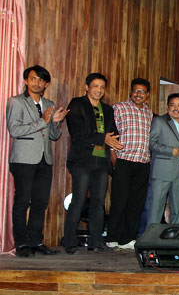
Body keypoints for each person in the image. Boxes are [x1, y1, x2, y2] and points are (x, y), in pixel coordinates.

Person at [7, 65, 68, 257]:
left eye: (41, 80)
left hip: (45, 159)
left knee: (40, 203)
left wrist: (56, 122)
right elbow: (15, 130)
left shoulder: (49, 103)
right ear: (26, 80)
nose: (37, 83)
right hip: (23, 159)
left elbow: (54, 136)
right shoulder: (16, 102)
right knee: (22, 201)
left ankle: (35, 241)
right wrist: (43, 121)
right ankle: (21, 243)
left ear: (46, 84)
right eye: (33, 79)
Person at [62, 73, 122, 254]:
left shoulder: (108, 109)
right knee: (78, 200)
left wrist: (113, 145)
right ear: (87, 87)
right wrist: (102, 138)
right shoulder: (77, 104)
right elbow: (77, 133)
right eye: (95, 86)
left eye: (102, 87)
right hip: (82, 161)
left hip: (101, 161)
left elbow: (113, 133)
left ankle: (96, 241)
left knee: (98, 202)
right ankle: (69, 241)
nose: (99, 90)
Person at [107, 78, 153, 249]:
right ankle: (112, 237)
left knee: (136, 203)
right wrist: (113, 154)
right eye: (135, 90)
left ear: (147, 95)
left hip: (142, 162)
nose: (138, 94)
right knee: (119, 200)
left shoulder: (149, 113)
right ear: (130, 92)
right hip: (124, 160)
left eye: (142, 92)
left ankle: (127, 238)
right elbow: (111, 132)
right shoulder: (119, 108)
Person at [147, 93, 179, 226]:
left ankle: (176, 235)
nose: (176, 108)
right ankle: (151, 236)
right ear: (167, 107)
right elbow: (151, 143)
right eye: (173, 105)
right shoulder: (159, 121)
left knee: (178, 208)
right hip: (162, 170)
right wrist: (169, 150)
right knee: (156, 208)